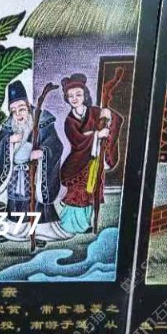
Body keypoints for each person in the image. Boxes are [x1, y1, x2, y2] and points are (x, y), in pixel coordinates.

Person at [0, 80, 72, 247]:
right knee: (16, 202)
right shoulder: (9, 126)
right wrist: (8, 142)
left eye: (21, 109)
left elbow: (55, 144)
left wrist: (43, 152)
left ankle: (40, 232)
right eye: (13, 111)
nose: (18, 114)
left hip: (35, 173)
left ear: (28, 106)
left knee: (37, 202)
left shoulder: (42, 121)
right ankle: (13, 230)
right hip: (16, 174)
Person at [60, 73, 123, 234]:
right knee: (77, 192)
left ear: (85, 95)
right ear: (67, 98)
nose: (75, 98)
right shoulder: (69, 121)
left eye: (78, 94)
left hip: (94, 159)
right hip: (78, 161)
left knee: (90, 190)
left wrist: (109, 116)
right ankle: (70, 224)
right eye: (71, 96)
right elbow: (77, 141)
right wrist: (96, 135)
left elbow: (116, 120)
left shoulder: (95, 111)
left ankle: (86, 223)